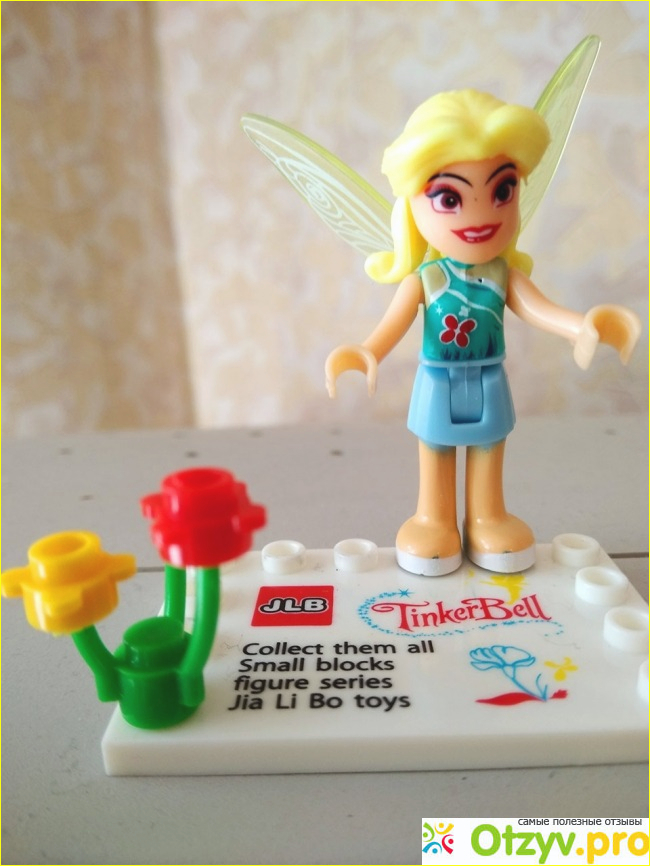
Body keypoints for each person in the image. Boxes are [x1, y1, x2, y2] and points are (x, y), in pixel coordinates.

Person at [326, 90, 640, 577]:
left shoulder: (502, 276)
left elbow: (539, 309)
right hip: (438, 379)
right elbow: (392, 326)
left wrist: (581, 326)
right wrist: (366, 352)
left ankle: (487, 517)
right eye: (449, 198)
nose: (480, 214)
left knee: (490, 449)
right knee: (435, 449)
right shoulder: (426, 279)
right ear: (413, 205)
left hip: (489, 376)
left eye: (502, 190)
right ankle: (434, 520)